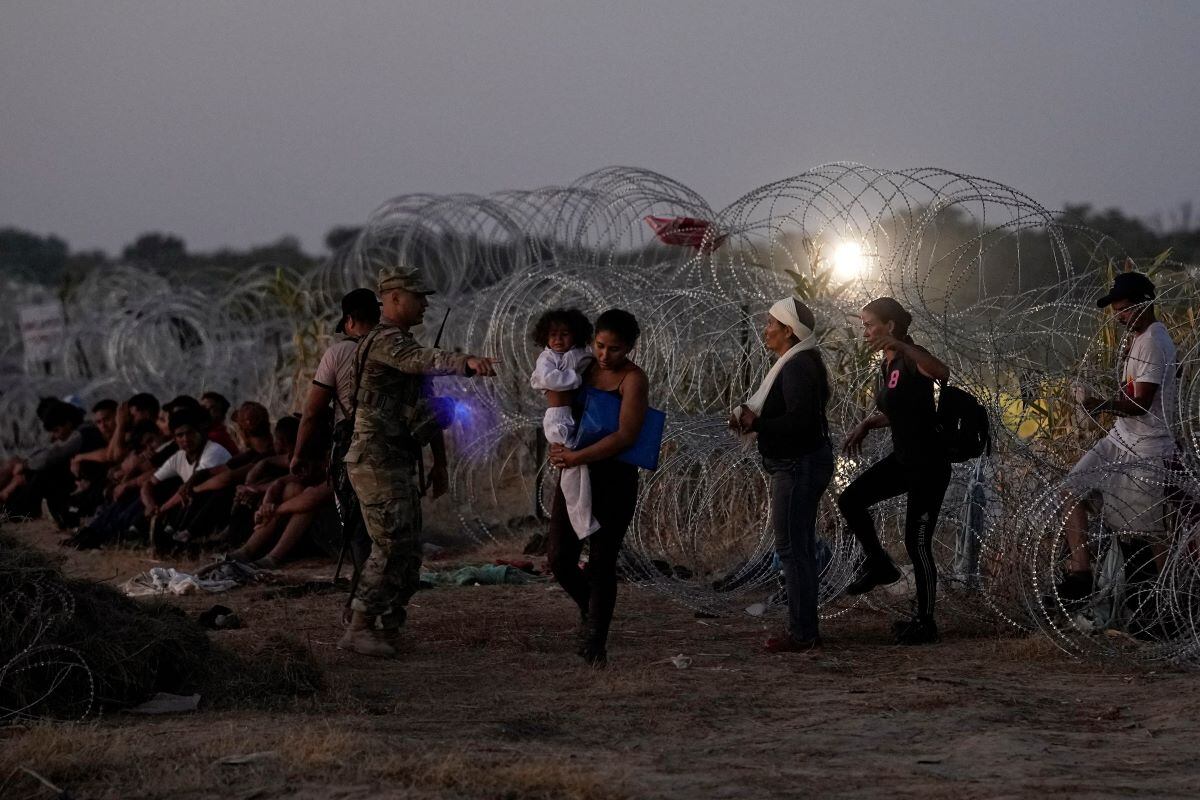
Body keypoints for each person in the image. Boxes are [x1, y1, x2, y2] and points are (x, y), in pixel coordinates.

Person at [339, 264, 496, 658]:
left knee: (407, 548)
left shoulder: (402, 345)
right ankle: (358, 626)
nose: (425, 304)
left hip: (395, 457)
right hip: (375, 458)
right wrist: (465, 362)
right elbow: (419, 360)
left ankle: (390, 626)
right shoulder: (385, 342)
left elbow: (422, 410)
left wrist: (439, 462)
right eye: (418, 297)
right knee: (391, 542)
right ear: (394, 298)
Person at [1057, 270, 1178, 602]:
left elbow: (1140, 403)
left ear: (1144, 304)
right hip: (1121, 438)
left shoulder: (1154, 340)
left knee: (1147, 529)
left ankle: (1169, 596)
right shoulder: (1138, 338)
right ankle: (1081, 573)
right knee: (1073, 486)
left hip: (1148, 446)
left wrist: (1100, 404)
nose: (1118, 317)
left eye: (1123, 309)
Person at [839, 297, 952, 645]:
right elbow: (906, 411)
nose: (866, 331)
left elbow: (942, 372)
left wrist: (902, 345)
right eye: (863, 325)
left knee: (917, 543)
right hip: (904, 460)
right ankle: (880, 565)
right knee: (850, 500)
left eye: (870, 324)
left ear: (890, 326)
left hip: (929, 465)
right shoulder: (887, 364)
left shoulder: (909, 355)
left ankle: (926, 621)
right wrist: (870, 423)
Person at [730, 298, 833, 653]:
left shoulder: (796, 367)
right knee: (798, 548)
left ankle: (803, 633)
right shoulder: (798, 362)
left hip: (797, 465)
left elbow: (799, 423)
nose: (765, 329)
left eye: (771, 323)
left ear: (788, 331)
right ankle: (805, 629)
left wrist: (757, 423)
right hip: (799, 464)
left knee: (793, 549)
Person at [547, 308, 649, 666]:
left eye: (616, 349)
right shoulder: (585, 368)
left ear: (631, 348)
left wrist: (579, 457)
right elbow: (559, 408)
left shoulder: (633, 380)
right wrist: (557, 444)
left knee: (602, 562)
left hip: (613, 478)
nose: (606, 355)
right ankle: (592, 611)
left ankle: (595, 641)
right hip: (576, 477)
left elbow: (626, 435)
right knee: (559, 557)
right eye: (601, 345)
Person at [292, 289, 381, 577]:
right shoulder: (395, 348)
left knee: (355, 516)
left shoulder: (338, 353)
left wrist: (299, 454)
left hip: (353, 445)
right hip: (392, 444)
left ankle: (365, 580)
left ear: (350, 320)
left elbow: (312, 412)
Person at [530, 307, 599, 537]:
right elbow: (549, 380)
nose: (558, 340)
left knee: (577, 467)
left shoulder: (581, 354)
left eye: (564, 334)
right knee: (572, 466)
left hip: (577, 416)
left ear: (576, 334)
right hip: (557, 419)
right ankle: (583, 522)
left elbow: (585, 364)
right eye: (552, 335)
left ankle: (584, 521)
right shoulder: (546, 358)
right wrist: (575, 378)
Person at [141, 406, 232, 551]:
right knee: (166, 488)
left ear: (200, 431)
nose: (185, 439)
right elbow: (149, 483)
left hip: (218, 508)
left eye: (190, 433)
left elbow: (196, 480)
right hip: (191, 506)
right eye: (180, 435)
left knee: (195, 492)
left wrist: (163, 509)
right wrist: (150, 505)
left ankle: (184, 535)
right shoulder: (179, 457)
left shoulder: (213, 451)